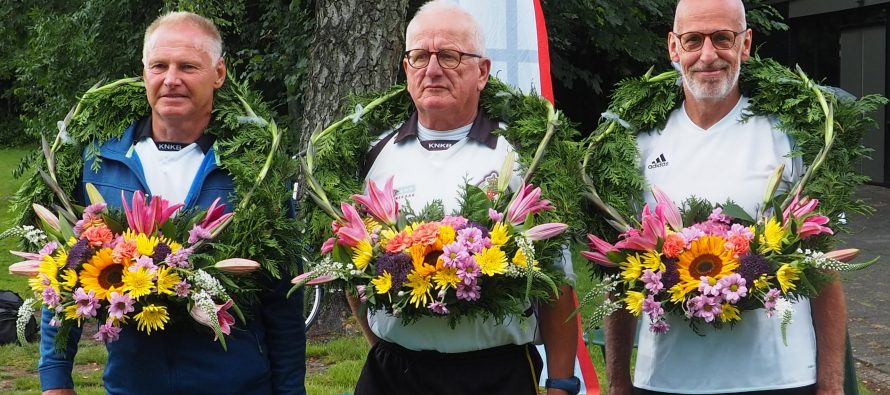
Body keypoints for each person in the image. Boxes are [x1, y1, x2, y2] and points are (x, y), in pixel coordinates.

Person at [37, 12, 306, 395]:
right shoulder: (100, 164)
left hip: (238, 385)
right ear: (144, 72)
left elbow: (282, 298)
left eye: (188, 66)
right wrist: (55, 378)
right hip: (133, 385)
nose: (171, 79)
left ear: (219, 74)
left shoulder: (254, 171)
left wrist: (291, 389)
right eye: (159, 66)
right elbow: (65, 271)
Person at [604, 0, 847, 394]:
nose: (708, 54)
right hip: (669, 377)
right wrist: (617, 382)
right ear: (673, 47)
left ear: (746, 44)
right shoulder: (636, 143)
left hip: (778, 375)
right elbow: (617, 271)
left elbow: (823, 265)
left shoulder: (789, 136)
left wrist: (832, 384)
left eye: (723, 38)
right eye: (693, 40)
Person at [350, 2, 579, 395]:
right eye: (419, 56)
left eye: (450, 56)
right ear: (406, 69)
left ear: (482, 72)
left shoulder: (524, 155)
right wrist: (390, 345)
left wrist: (561, 383)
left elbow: (556, 281)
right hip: (394, 372)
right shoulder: (372, 156)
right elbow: (351, 272)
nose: (433, 69)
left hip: (494, 374)